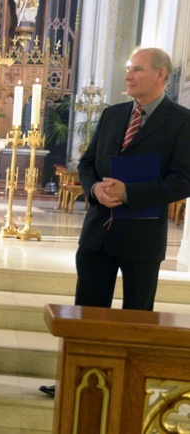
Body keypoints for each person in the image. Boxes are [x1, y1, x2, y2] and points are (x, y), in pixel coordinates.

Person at [39, 48, 190, 399]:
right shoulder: (113, 114)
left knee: (137, 318)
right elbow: (88, 162)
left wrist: (129, 192)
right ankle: (73, 381)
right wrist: (93, 188)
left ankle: (128, 387)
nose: (128, 76)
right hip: (98, 233)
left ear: (161, 75)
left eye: (137, 70)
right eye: (128, 69)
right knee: (87, 315)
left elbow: (184, 180)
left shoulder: (182, 121)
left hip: (141, 237)